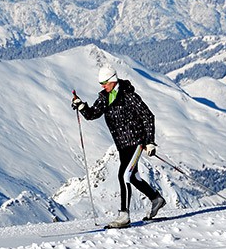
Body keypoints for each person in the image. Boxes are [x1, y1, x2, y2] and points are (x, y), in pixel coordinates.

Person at [71, 65, 166, 228]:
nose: (102, 86)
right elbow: (92, 114)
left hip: (136, 142)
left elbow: (148, 116)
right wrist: (81, 106)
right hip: (122, 145)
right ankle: (156, 198)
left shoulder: (128, 95)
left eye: (105, 83)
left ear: (113, 80)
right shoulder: (104, 97)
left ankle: (124, 216)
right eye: (101, 83)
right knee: (134, 177)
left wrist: (150, 141)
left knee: (124, 176)